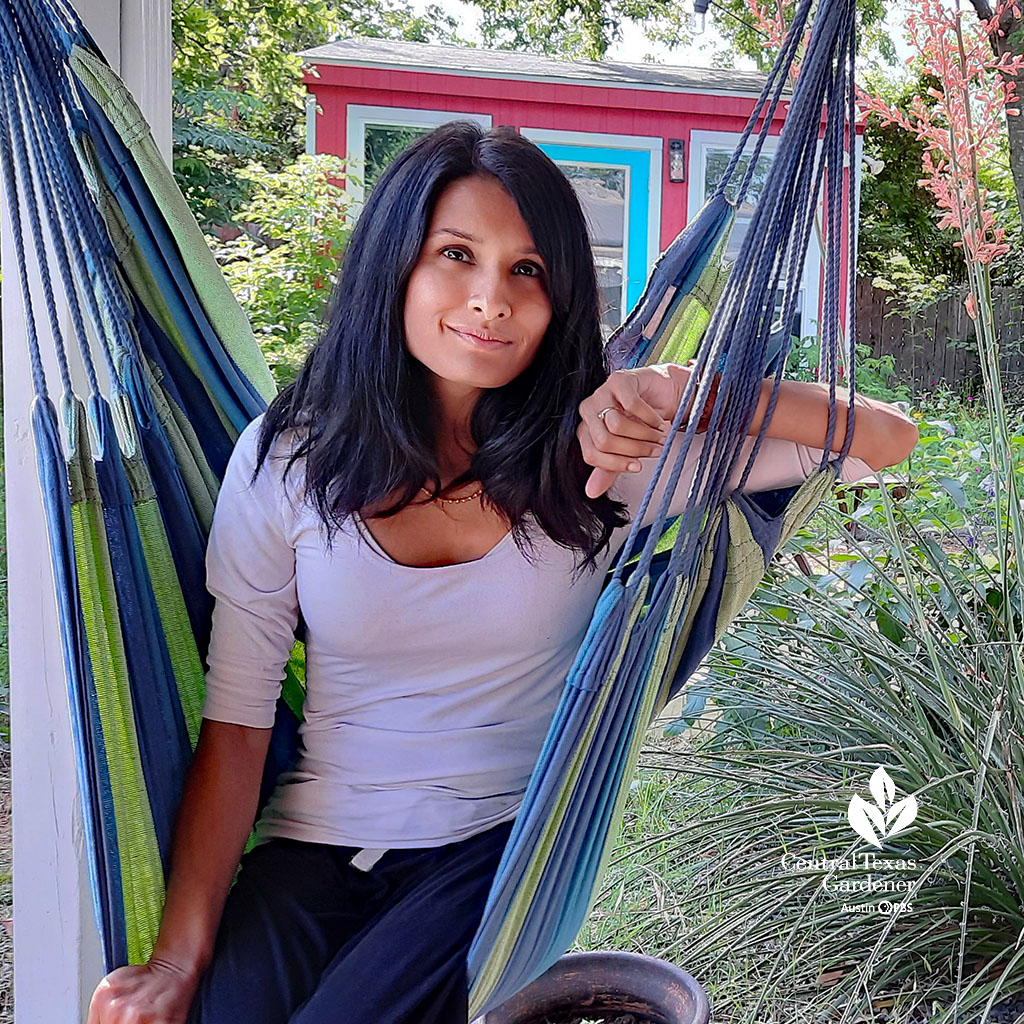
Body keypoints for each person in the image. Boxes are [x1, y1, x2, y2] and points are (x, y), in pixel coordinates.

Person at [86, 122, 919, 1024]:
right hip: (306, 843)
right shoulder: (288, 459)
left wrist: (681, 388)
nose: (491, 300)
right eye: (456, 254)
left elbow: (883, 438)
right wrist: (176, 958)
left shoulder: (608, 451)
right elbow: (238, 723)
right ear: (393, 266)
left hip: (495, 850)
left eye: (528, 270)